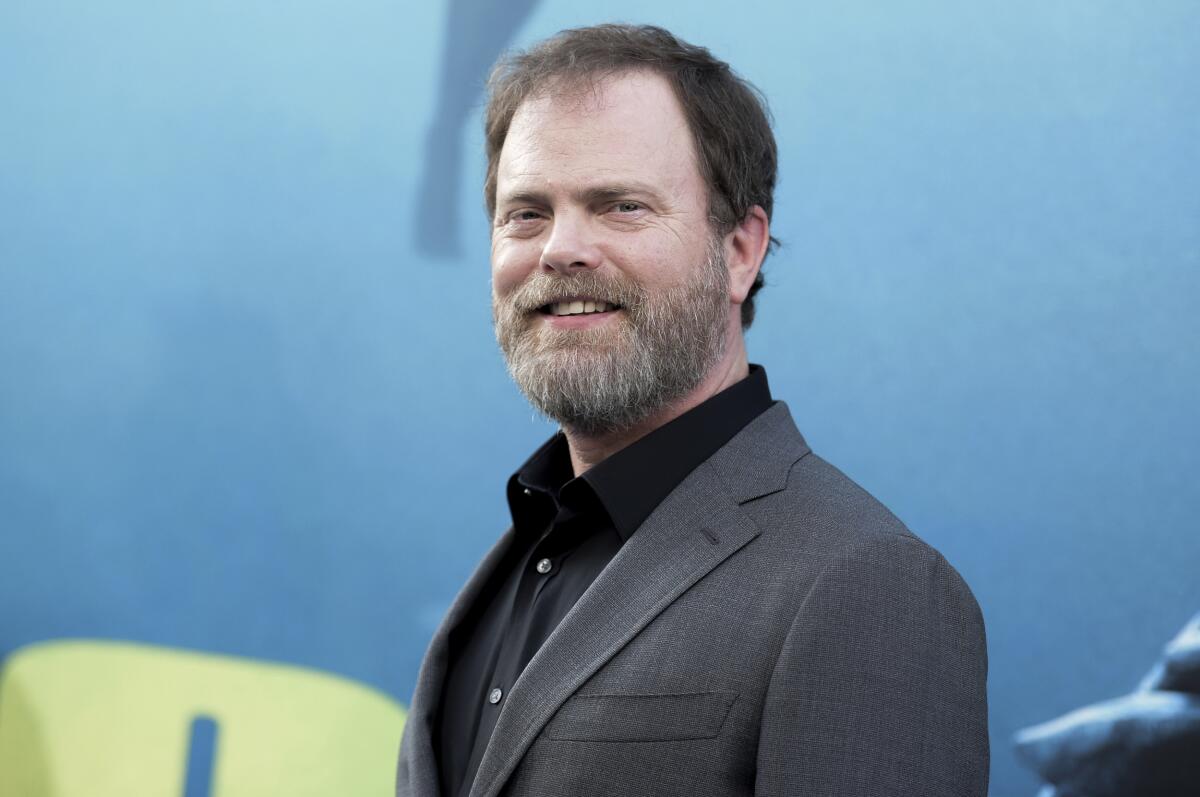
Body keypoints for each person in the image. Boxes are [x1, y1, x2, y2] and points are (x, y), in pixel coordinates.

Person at [397, 23, 989, 797]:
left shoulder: (868, 585)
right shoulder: (514, 564)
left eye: (621, 206)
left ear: (740, 251)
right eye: (527, 213)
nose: (561, 249)